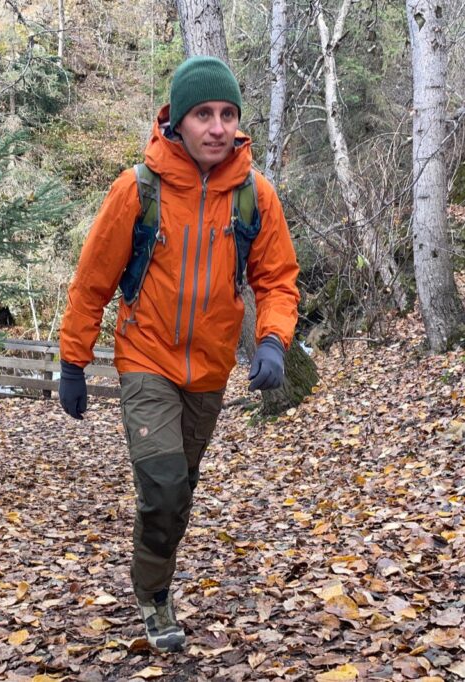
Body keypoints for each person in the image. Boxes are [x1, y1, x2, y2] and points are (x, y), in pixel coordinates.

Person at [58, 56, 300, 652]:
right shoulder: (137, 189)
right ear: (178, 120)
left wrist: (272, 340)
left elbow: (277, 280)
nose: (217, 127)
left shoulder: (254, 195)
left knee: (180, 489)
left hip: (210, 369)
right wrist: (73, 360)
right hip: (146, 360)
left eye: (227, 115)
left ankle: (156, 573)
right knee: (163, 484)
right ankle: (154, 593)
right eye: (203, 114)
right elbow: (93, 281)